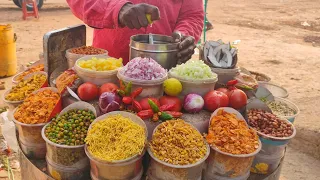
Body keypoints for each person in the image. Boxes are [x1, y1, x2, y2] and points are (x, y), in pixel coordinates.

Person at [66, 0, 204, 65]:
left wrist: (184, 33)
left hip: (167, 73)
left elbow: (192, 15)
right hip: (108, 70)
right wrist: (118, 9)